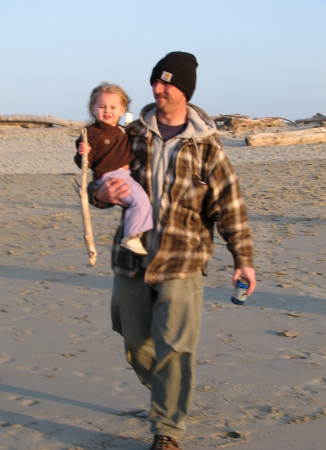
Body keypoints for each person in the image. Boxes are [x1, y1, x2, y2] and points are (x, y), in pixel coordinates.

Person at [88, 52, 256, 450]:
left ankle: (167, 429)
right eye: (155, 81)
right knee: (134, 342)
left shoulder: (206, 146)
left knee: (176, 350)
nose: (158, 88)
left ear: (185, 90)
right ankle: (167, 391)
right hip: (132, 258)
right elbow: (95, 180)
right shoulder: (131, 134)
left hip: (184, 260)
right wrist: (100, 194)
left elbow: (229, 205)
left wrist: (243, 260)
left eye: (166, 83)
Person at [74, 82, 153, 256]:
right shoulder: (91, 133)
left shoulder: (124, 131)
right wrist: (83, 154)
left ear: (123, 110)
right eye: (102, 106)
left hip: (127, 175)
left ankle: (135, 235)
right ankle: (131, 237)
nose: (107, 111)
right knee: (140, 202)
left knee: (141, 202)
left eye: (113, 107)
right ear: (93, 109)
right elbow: (83, 163)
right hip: (111, 177)